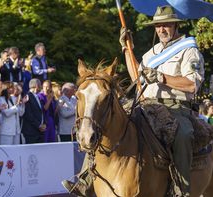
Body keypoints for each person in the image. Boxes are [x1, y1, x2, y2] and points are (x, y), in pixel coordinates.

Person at [63, 5, 205, 197]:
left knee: (183, 134)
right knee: (106, 122)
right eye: (158, 26)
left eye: (166, 25)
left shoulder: (189, 51)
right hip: (148, 104)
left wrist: (161, 77)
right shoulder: (152, 53)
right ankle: (85, 178)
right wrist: (126, 48)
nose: (162, 30)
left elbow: (191, 85)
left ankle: (181, 189)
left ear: (176, 25)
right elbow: (137, 76)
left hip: (176, 107)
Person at [21, 79, 46, 144]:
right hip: (31, 131)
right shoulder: (27, 96)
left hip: (39, 132)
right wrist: (39, 125)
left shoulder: (37, 96)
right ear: (37, 86)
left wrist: (44, 124)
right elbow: (28, 114)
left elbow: (41, 112)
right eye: (40, 85)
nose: (41, 87)